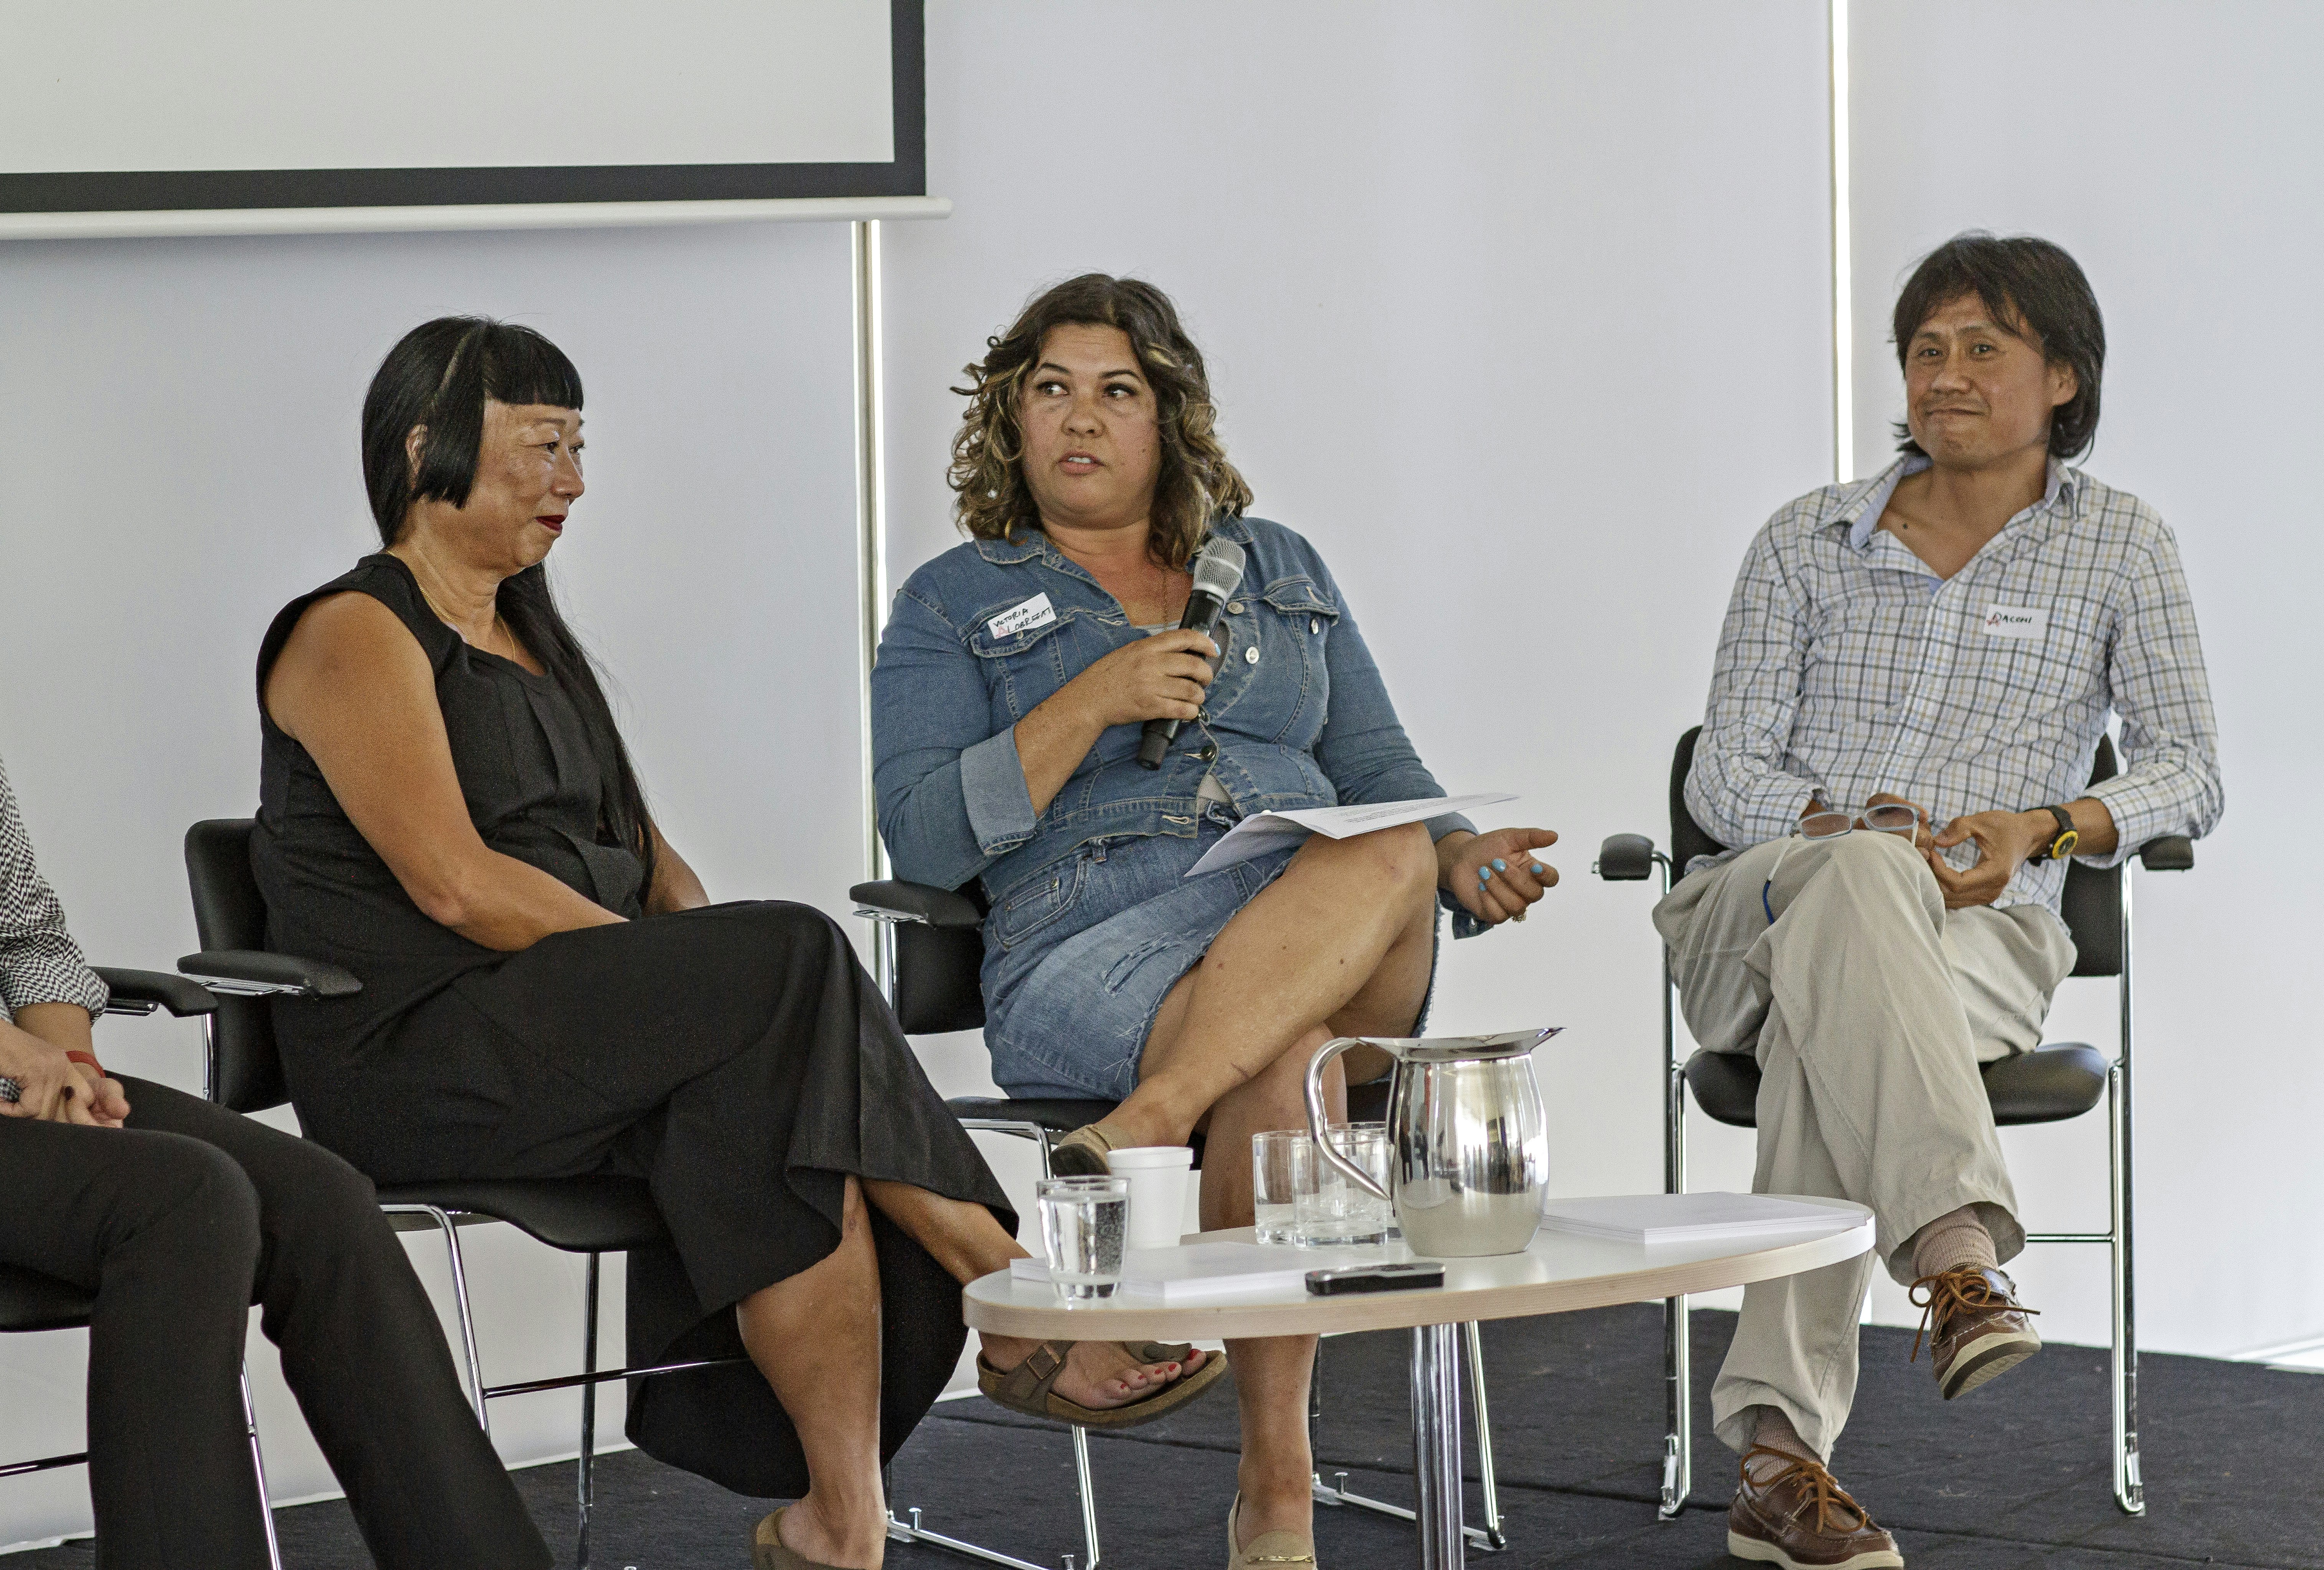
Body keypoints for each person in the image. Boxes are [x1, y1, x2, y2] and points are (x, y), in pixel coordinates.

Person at [253, 317, 1221, 1570]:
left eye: (580, 447)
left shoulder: (535, 640)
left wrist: (698, 993)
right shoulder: (350, 630)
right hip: (418, 1051)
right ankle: (1014, 1284)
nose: (574, 481)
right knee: (784, 963)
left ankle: (840, 1524)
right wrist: (682, 982)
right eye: (543, 446)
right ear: (428, 445)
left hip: (559, 1036)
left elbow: (662, 871)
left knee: (771, 1078)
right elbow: (457, 887)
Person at [872, 274, 1558, 1569]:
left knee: (1396, 844)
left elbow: (1381, 766)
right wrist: (1089, 700)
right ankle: (1275, 1489)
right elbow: (922, 835)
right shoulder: (951, 601)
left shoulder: (1279, 566)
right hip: (1091, 946)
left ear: (1168, 417)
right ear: (1009, 422)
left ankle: (1140, 1133)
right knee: (1285, 1066)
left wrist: (1461, 864)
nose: (1080, 418)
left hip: (1302, 910)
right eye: (1050, 390)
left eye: (1116, 391)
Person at [1662, 233, 2221, 1568]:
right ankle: (1950, 1255)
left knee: (1827, 1028)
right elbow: (1728, 766)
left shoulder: (2121, 547)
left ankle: (1776, 1464)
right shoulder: (1803, 537)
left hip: (1981, 932)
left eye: (1984, 347)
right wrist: (1853, 833)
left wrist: (2043, 823)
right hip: (1760, 905)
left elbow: (2189, 771)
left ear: (2065, 382)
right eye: (1926, 349)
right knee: (1856, 883)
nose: (1946, 374)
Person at [0, 433, 551, 1567]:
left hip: (4, 1079)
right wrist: (4, 1053)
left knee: (325, 1202)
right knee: (186, 1200)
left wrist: (67, 1066)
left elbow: (28, 923)